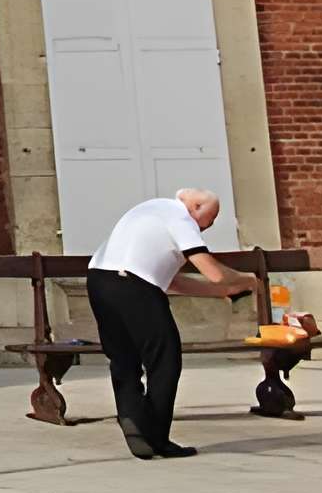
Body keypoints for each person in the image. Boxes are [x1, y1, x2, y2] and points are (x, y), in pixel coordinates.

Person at [88, 186, 251, 458]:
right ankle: (157, 436)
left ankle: (132, 419)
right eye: (209, 221)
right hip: (135, 285)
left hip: (99, 280)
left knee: (123, 359)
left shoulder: (150, 210)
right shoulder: (181, 218)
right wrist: (247, 281)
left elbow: (171, 282)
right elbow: (214, 273)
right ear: (197, 208)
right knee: (165, 359)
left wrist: (224, 291)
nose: (206, 229)